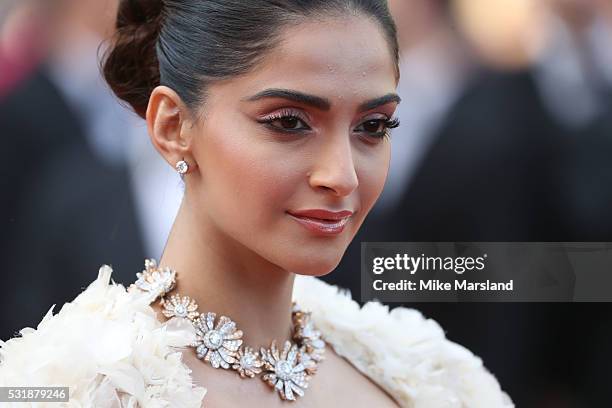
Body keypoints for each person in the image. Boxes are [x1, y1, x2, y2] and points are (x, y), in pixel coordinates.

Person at [0, 1, 513, 406]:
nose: (342, 175)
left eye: (373, 127)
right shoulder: (58, 390)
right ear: (173, 127)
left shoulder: (430, 380)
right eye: (289, 122)